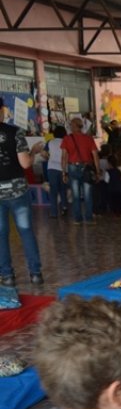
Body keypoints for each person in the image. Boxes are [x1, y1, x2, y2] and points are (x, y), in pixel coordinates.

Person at [0, 110, 43, 287]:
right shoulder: (14, 132)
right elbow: (25, 163)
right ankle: (35, 274)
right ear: (1, 112)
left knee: (1, 235)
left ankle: (7, 276)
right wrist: (34, 151)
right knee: (25, 232)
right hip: (17, 190)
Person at [61, 116, 101, 225]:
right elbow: (95, 155)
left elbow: (64, 157)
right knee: (88, 195)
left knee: (76, 195)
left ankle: (77, 219)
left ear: (73, 127)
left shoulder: (67, 139)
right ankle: (88, 218)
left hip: (72, 167)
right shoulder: (88, 138)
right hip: (87, 168)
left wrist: (64, 172)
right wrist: (97, 171)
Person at [42, 125, 67, 218]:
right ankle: (64, 208)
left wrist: (49, 158)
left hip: (51, 168)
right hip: (63, 168)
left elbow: (43, 154)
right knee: (63, 189)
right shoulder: (66, 142)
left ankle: (53, 213)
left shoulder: (50, 142)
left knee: (53, 191)